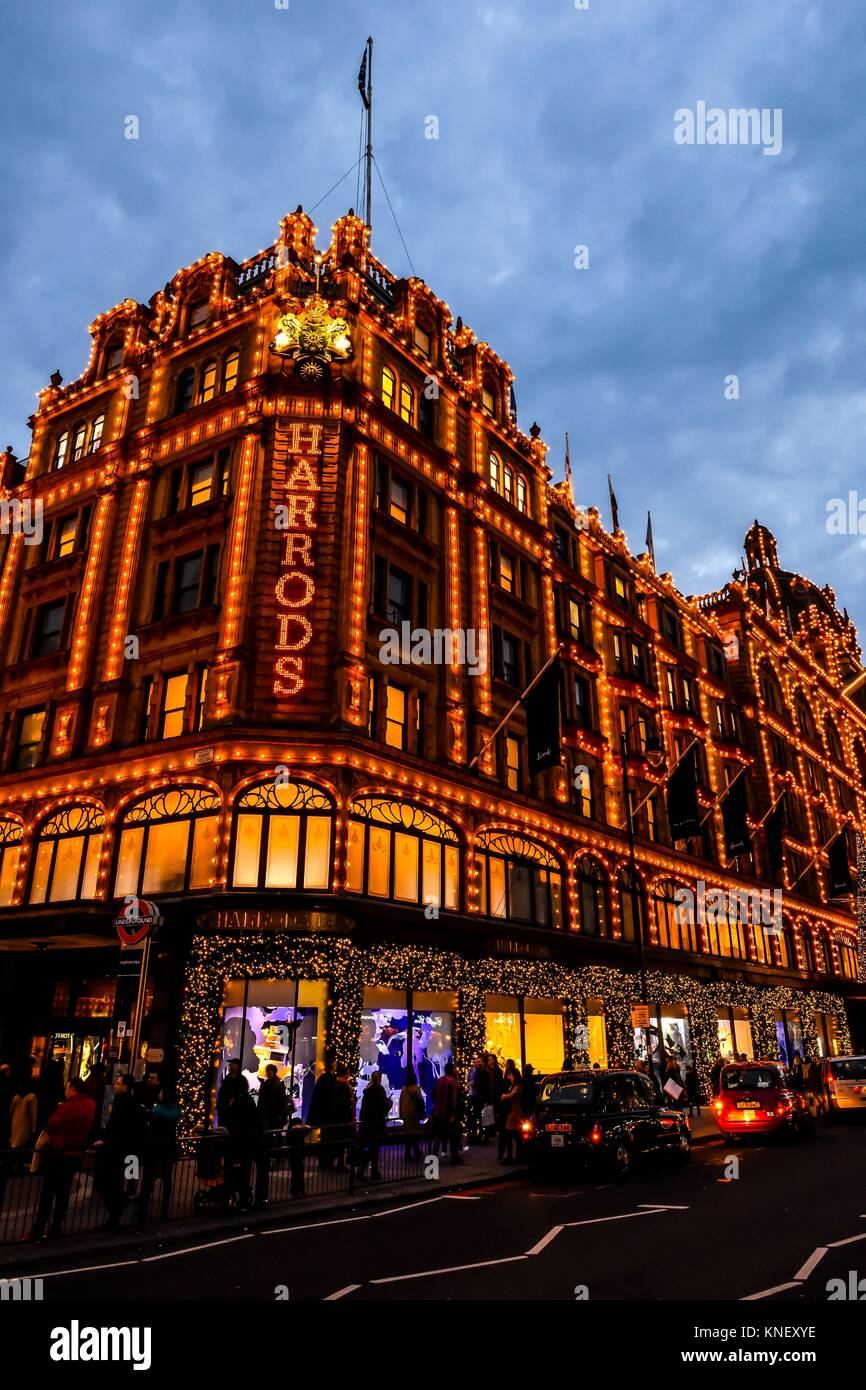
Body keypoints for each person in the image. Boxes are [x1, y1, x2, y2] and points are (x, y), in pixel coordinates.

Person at [28, 1079, 96, 1243]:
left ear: (72, 1089)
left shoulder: (66, 1107)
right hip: (76, 1154)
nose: (65, 1091)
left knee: (48, 1194)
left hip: (58, 1154)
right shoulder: (91, 1105)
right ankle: (56, 1227)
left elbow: (51, 1124)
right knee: (63, 1194)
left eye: (67, 1088)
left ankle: (38, 1229)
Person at [94, 1073, 148, 1230]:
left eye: (118, 1083)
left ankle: (118, 1211)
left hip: (119, 1150)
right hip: (130, 1150)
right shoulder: (132, 1103)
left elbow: (116, 1127)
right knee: (125, 1180)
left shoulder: (123, 1103)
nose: (115, 1086)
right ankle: (122, 1207)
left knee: (110, 1182)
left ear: (126, 1086)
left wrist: (106, 1141)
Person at [137, 1086, 180, 1229]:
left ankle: (142, 1211)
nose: (159, 1094)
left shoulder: (157, 1111)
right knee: (167, 1179)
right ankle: (164, 1210)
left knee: (148, 1180)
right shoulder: (176, 1110)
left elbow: (150, 1126)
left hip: (155, 1148)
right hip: (169, 1148)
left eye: (161, 1092)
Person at [307, 1049, 339, 1169]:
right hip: (327, 1115)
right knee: (327, 1138)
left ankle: (324, 1161)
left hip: (323, 1115)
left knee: (325, 1137)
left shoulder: (322, 1079)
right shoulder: (329, 1080)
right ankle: (326, 1161)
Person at [357, 1070, 390, 1181]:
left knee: (371, 1149)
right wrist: (389, 1104)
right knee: (374, 1150)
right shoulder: (380, 1091)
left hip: (367, 1124)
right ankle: (371, 1172)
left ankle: (365, 1171)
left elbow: (364, 1110)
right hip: (377, 1124)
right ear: (379, 1079)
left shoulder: (367, 1091)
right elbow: (383, 1108)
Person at [430, 1061, 462, 1164]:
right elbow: (454, 1099)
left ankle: (433, 1158)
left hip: (438, 1112)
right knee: (452, 1135)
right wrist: (453, 1114)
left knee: (437, 1136)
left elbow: (433, 1095)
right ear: (452, 1070)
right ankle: (454, 1157)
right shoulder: (453, 1082)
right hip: (448, 1113)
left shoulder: (439, 1080)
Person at [331, 1064, 356, 1172]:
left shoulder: (337, 1085)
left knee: (341, 1142)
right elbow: (343, 1103)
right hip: (343, 1120)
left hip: (339, 1119)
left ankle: (340, 1163)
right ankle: (341, 1164)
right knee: (343, 1142)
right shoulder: (343, 1086)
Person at [399, 1066, 425, 1160]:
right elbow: (420, 1100)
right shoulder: (416, 1088)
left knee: (408, 1134)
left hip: (406, 1114)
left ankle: (410, 1152)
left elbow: (401, 1101)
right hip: (414, 1113)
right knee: (414, 1133)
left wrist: (401, 1114)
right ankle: (414, 1151)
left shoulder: (404, 1089)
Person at [501, 1062, 524, 1163]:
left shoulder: (517, 1086)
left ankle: (511, 1157)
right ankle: (517, 1155)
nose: (509, 1077)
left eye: (510, 1075)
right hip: (513, 1112)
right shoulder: (514, 1085)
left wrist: (504, 1096)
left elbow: (512, 1095)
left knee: (510, 1133)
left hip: (515, 1113)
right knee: (514, 1134)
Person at [216, 1059, 249, 1128]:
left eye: (232, 1064)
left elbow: (243, 1094)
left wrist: (234, 1100)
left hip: (233, 1112)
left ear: (237, 1066)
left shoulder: (241, 1080)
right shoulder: (227, 1078)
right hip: (223, 1111)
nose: (230, 1065)